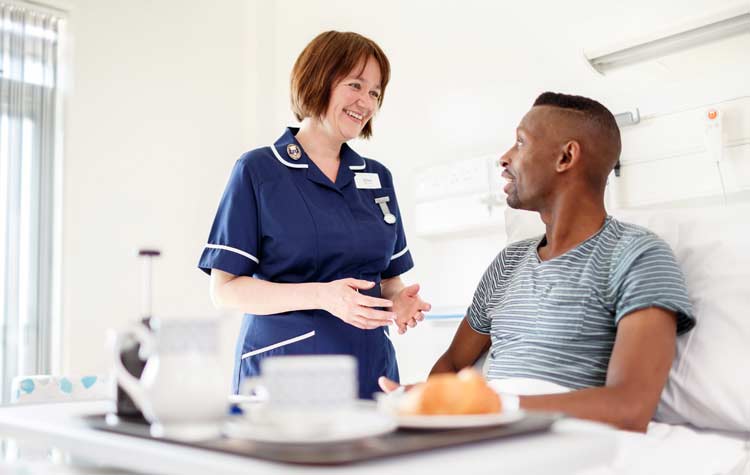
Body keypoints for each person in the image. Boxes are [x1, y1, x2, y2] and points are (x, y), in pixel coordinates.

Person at [380, 92, 695, 431]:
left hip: (562, 441)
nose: (504, 158)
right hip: (486, 437)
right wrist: (426, 408)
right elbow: (454, 361)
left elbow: (629, 407)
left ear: (566, 157)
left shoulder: (638, 256)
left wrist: (493, 407)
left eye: (520, 143)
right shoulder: (509, 262)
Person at [199, 31, 430, 399]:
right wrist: (323, 296)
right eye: (355, 84)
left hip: (371, 370)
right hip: (285, 374)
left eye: (375, 92)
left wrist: (400, 301)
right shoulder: (258, 170)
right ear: (317, 80)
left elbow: (389, 281)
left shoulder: (377, 178)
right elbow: (225, 290)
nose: (366, 102)